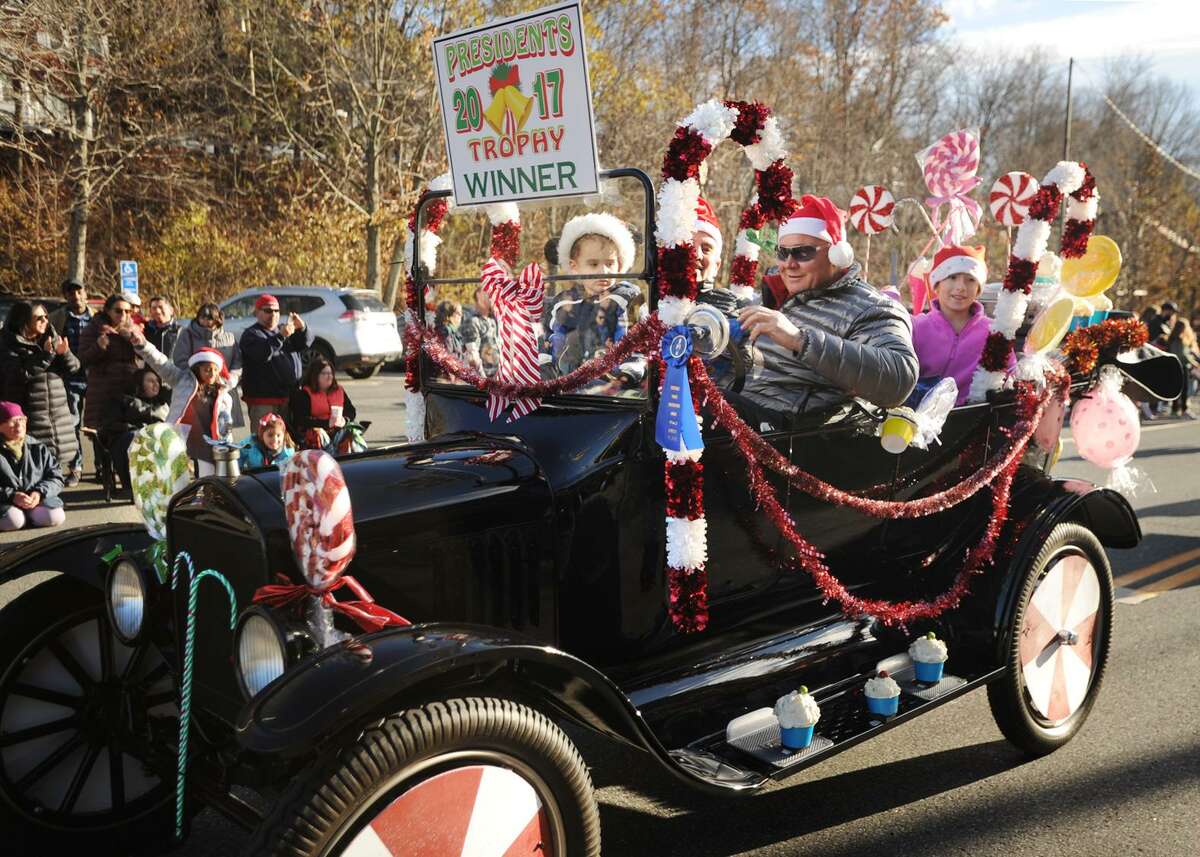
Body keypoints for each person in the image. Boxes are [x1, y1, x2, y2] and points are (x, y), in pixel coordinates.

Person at [734, 195, 917, 427]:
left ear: (836, 254)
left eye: (803, 253)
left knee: (708, 410)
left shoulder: (871, 307)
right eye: (783, 253)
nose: (789, 264)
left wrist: (799, 339)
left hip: (793, 431)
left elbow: (899, 378)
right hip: (742, 411)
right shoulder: (773, 296)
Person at [910, 245, 1012, 405]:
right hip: (916, 422)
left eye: (970, 280)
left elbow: (1010, 374)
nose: (961, 287)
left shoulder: (994, 332)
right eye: (952, 277)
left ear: (978, 289)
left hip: (976, 422)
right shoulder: (916, 328)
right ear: (937, 284)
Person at [544, 212, 641, 372]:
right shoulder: (563, 302)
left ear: (620, 264)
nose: (603, 271)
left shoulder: (625, 299)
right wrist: (547, 367)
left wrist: (627, 372)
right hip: (565, 386)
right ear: (574, 267)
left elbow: (632, 344)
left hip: (612, 387)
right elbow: (550, 337)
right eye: (593, 264)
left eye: (610, 263)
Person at [0, 302, 81, 471]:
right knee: (31, 470)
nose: (45, 320)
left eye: (46, 316)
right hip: (29, 417)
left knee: (54, 472)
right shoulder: (7, 343)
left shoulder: (51, 338)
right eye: (39, 318)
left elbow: (74, 367)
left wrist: (64, 354)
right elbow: (18, 375)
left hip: (58, 418)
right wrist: (45, 356)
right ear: (23, 321)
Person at [238, 294, 311, 427]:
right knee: (264, 440)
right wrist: (281, 336)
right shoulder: (251, 334)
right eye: (268, 310)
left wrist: (302, 328)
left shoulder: (283, 330)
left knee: (286, 442)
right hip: (263, 400)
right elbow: (262, 354)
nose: (273, 314)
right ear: (257, 313)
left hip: (288, 398)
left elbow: (305, 344)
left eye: (276, 311)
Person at [77, 294, 144, 432]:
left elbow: (144, 358)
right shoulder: (93, 329)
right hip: (102, 394)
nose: (123, 315)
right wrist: (99, 347)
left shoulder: (135, 330)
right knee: (102, 443)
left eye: (128, 311)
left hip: (128, 392)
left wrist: (135, 343)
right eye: (118, 311)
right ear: (107, 310)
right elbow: (82, 360)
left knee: (129, 443)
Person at [48, 279, 91, 485]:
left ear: (85, 293)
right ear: (65, 296)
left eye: (78, 291)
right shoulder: (57, 318)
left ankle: (103, 467)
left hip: (95, 379)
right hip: (69, 379)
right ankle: (76, 467)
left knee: (96, 425)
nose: (75, 296)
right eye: (70, 293)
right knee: (71, 425)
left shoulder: (97, 318)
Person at [173, 302, 244, 429]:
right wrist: (196, 378)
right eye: (202, 316)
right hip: (196, 392)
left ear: (217, 319)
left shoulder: (229, 338)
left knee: (223, 431)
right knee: (196, 432)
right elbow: (180, 361)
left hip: (223, 390)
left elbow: (237, 362)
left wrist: (232, 379)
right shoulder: (187, 335)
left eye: (209, 317)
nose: (205, 320)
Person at [0, 401, 66, 531]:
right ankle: (21, 517)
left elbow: (56, 477)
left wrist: (40, 492)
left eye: (21, 419)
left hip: (35, 499)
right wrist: (12, 495)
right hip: (4, 501)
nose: (19, 425)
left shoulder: (37, 447)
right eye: (12, 421)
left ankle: (29, 516)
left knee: (55, 516)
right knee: (13, 521)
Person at [100, 366, 170, 488]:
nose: (156, 384)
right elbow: (112, 424)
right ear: (139, 383)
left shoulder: (160, 403)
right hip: (123, 441)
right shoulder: (123, 400)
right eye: (151, 381)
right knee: (138, 437)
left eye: (157, 381)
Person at [177, 348, 233, 476]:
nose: (212, 373)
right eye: (207, 370)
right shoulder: (191, 391)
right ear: (198, 371)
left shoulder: (222, 393)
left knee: (221, 475)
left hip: (218, 441)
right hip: (198, 443)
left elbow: (225, 420)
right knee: (205, 475)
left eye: (215, 369)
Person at [290, 356, 357, 452]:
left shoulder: (339, 390)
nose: (329, 376)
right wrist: (326, 423)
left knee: (352, 433)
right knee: (319, 434)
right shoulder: (304, 394)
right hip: (317, 434)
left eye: (330, 373)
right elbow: (300, 420)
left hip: (338, 429)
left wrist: (344, 420)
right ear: (315, 375)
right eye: (324, 373)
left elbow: (351, 411)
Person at [462, 286, 499, 375]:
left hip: (496, 372)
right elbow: (472, 353)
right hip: (483, 375)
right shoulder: (473, 322)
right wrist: (482, 378)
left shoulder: (493, 320)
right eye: (481, 298)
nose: (487, 300)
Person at [1166, 318, 1199, 419]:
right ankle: (1183, 410)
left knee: (1177, 389)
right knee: (1183, 389)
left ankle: (1175, 410)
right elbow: (1182, 355)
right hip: (1181, 366)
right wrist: (1193, 362)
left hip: (1174, 365)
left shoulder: (1172, 338)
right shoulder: (1179, 339)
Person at [143, 295, 182, 362]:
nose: (157, 311)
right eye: (154, 308)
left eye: (161, 307)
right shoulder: (145, 329)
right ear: (150, 311)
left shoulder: (180, 332)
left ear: (171, 310)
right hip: (150, 370)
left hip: (173, 371)